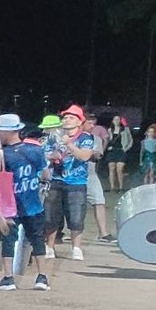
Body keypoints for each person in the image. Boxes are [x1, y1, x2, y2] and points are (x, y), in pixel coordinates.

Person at [0, 114, 51, 291]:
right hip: (33, 203)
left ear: (8, 132)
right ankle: (42, 277)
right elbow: (45, 174)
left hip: (10, 205)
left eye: (0, 131)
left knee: (8, 239)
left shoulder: (3, 154)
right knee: (37, 239)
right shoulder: (36, 150)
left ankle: (8, 278)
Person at [46, 105, 97, 262]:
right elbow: (45, 154)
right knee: (51, 216)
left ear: (79, 121)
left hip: (76, 182)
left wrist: (69, 145)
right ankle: (50, 246)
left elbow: (84, 156)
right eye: (65, 117)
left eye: (71, 117)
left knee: (76, 216)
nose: (67, 120)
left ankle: (76, 248)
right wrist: (53, 156)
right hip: (55, 180)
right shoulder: (54, 136)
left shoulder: (85, 138)